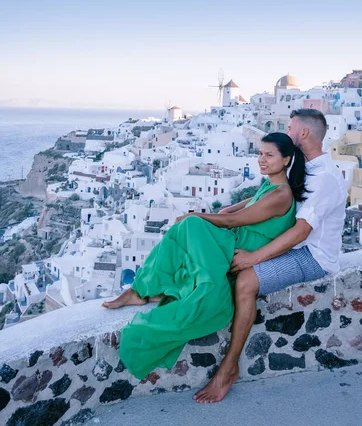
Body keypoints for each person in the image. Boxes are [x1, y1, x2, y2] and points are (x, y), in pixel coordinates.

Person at [102, 132, 307, 380]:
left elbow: (232, 220)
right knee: (183, 231)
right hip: (234, 241)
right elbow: (240, 207)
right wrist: (217, 211)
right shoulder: (269, 185)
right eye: (260, 154)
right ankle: (141, 290)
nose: (261, 159)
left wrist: (194, 216)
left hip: (237, 248)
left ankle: (141, 291)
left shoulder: (281, 194)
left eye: (269, 155)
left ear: (286, 160)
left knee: (189, 226)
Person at [194, 109, 348, 404]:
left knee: (245, 282)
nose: (287, 132)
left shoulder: (326, 176)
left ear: (303, 133)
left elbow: (302, 231)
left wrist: (254, 258)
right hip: (290, 245)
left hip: (312, 256)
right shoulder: (299, 165)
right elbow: (270, 191)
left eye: (290, 128)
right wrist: (230, 210)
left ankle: (229, 368)